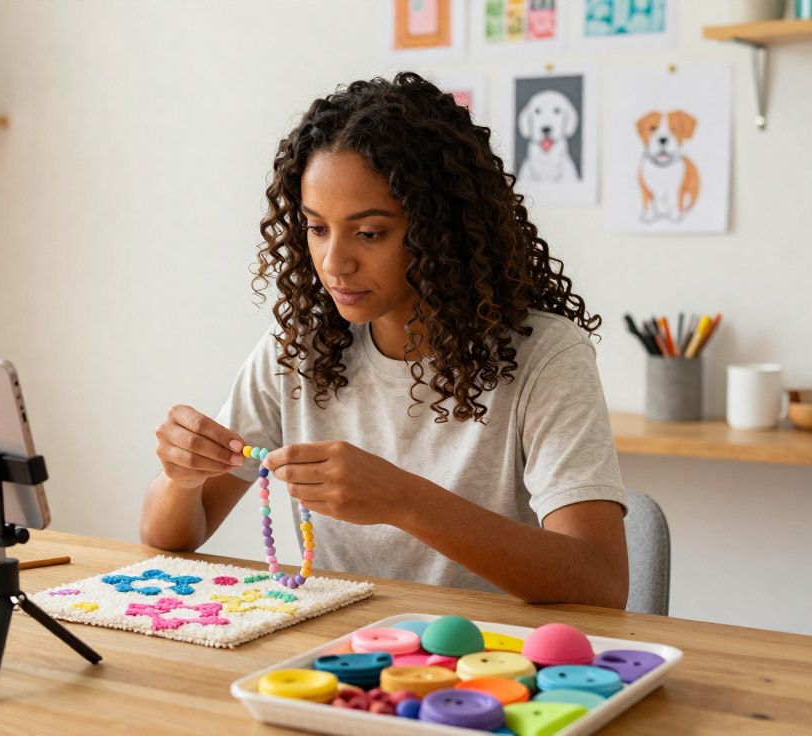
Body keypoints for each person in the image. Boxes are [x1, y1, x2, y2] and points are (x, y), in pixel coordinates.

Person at [139, 72, 628, 608]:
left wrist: (403, 499)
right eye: (316, 228)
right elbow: (171, 535)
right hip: (337, 649)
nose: (334, 263)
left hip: (485, 651)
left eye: (370, 233)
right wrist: (181, 477)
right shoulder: (300, 349)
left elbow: (600, 582)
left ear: (442, 231)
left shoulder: (546, 357)